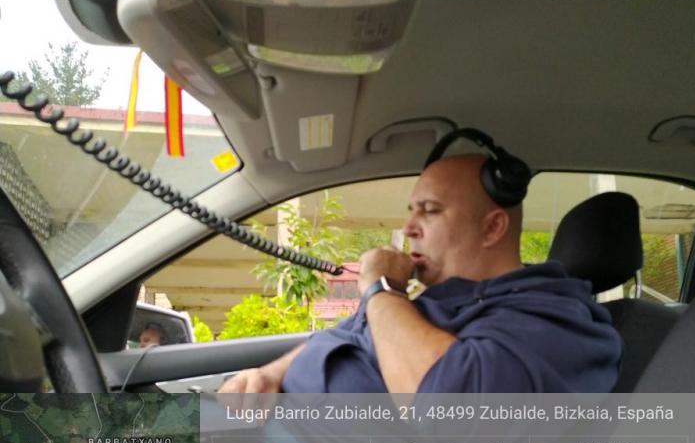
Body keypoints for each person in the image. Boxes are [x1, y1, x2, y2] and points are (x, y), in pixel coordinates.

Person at [219, 153, 621, 396]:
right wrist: (270, 374)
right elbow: (342, 335)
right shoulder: (429, 302)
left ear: (492, 228)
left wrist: (379, 290)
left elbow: (446, 409)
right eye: (411, 212)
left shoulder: (553, 321)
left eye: (429, 211)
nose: (408, 228)